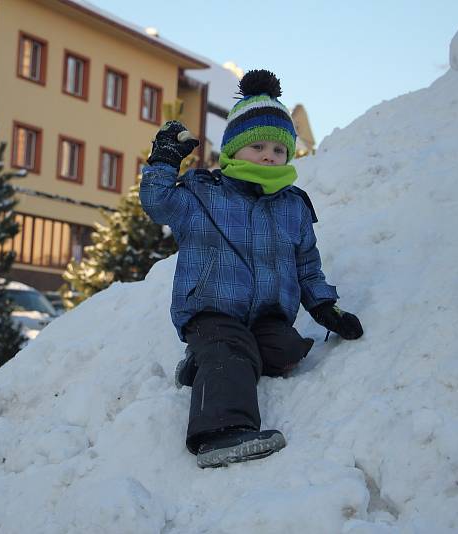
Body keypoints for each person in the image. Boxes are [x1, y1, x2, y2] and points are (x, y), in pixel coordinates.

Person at [139, 70, 363, 469]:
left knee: (286, 349)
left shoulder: (293, 205)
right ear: (232, 149)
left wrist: (325, 307)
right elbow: (157, 203)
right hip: (213, 310)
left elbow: (306, 265)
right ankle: (219, 433)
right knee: (230, 349)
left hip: (264, 316)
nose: (268, 156)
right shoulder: (203, 193)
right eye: (257, 146)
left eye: (279, 150)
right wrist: (163, 161)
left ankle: (201, 366)